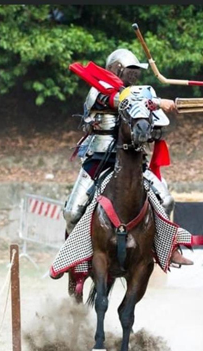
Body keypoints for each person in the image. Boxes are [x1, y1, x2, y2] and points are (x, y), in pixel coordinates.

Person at [63, 48, 191, 266]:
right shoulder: (99, 90)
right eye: (131, 70)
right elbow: (120, 100)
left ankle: (164, 249)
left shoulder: (142, 93)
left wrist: (154, 121)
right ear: (116, 69)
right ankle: (79, 259)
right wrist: (157, 101)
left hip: (133, 159)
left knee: (167, 200)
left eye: (137, 71)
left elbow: (159, 128)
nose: (134, 75)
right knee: (72, 212)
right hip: (99, 158)